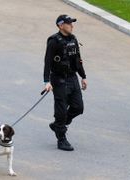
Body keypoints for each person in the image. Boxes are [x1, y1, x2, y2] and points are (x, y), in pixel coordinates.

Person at [43, 15, 87, 151]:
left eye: (72, 23)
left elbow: (78, 60)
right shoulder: (54, 41)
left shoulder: (73, 39)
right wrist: (47, 81)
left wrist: (83, 77)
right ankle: (61, 139)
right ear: (61, 25)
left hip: (72, 77)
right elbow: (48, 62)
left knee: (78, 107)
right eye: (69, 24)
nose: (72, 26)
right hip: (59, 79)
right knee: (61, 110)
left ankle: (58, 125)